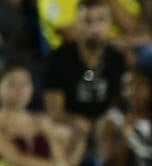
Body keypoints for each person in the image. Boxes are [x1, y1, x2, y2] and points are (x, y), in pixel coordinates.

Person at [41, 0, 125, 140]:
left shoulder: (117, 58)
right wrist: (74, 120)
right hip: (72, 127)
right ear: (76, 25)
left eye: (101, 20)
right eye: (87, 21)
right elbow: (55, 111)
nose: (95, 27)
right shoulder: (58, 58)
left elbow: (119, 102)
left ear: (109, 25)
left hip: (106, 127)